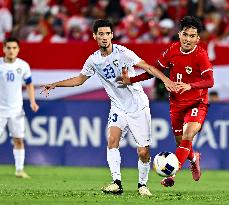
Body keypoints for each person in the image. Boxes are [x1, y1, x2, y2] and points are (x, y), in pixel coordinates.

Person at [40, 19, 177, 195]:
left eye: (107, 34)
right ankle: (117, 182)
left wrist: (165, 80)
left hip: (138, 106)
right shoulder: (93, 60)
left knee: (143, 152)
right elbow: (80, 80)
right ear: (95, 36)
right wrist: (55, 84)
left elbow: (148, 67)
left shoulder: (123, 53)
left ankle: (142, 185)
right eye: (101, 34)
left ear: (112, 35)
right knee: (112, 141)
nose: (105, 37)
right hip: (118, 107)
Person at [119, 16, 214, 187]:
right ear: (179, 34)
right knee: (181, 142)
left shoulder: (201, 55)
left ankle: (172, 174)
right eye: (185, 34)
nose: (188, 39)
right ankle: (194, 158)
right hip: (176, 104)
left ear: (198, 39)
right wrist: (131, 80)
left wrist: (190, 85)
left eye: (192, 36)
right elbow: (153, 71)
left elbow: (209, 81)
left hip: (197, 103)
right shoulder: (172, 50)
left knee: (188, 135)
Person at [0, 37, 39, 178]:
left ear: (18, 49)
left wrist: (32, 101)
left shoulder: (23, 66)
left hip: (16, 110)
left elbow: (29, 84)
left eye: (14, 48)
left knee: (18, 139)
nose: (11, 51)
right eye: (8, 48)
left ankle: (19, 170)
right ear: (4, 48)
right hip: (0, 110)